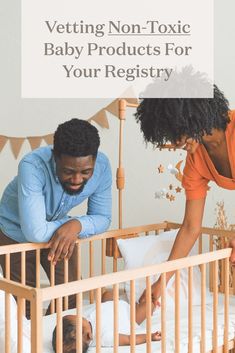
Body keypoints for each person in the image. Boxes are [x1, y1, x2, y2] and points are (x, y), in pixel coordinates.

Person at [0, 118, 112, 317]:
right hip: (13, 231)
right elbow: (35, 231)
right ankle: (27, 345)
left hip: (54, 230)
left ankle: (49, 338)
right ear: (55, 157)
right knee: (25, 304)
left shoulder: (102, 166)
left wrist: (75, 224)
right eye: (68, 172)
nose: (77, 180)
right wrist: (69, 225)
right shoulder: (32, 165)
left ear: (94, 159)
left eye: (86, 172)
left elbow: (103, 217)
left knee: (70, 294)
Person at [135, 84, 235, 304]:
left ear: (196, 116)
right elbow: (191, 227)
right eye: (170, 135)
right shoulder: (195, 161)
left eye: (178, 132)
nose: (176, 143)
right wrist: (163, 281)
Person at [52, 291, 161, 352]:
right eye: (78, 318)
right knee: (148, 305)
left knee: (107, 294)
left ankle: (126, 299)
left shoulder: (87, 325)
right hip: (129, 316)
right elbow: (129, 339)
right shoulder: (104, 337)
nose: (79, 315)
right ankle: (151, 304)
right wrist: (150, 336)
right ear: (89, 335)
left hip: (112, 305)